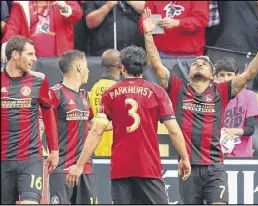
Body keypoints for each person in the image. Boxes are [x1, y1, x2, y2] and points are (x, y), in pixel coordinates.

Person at [142, 7, 258, 204]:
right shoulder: (178, 88)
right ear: (188, 74)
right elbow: (157, 65)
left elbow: (247, 75)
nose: (199, 63)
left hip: (215, 167)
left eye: (204, 63)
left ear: (212, 76)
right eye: (196, 63)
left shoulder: (221, 91)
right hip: (187, 166)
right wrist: (148, 34)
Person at [65, 45, 191, 204]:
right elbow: (173, 130)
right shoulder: (157, 92)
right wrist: (184, 157)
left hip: (120, 170)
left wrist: (79, 164)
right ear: (145, 68)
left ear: (122, 68)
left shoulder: (110, 93)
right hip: (149, 168)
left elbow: (97, 131)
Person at [1, 35, 59, 204]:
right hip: (3, 160)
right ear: (15, 55)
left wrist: (54, 150)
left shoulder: (39, 80)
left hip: (30, 158)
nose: (34, 58)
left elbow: (48, 113)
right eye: (30, 54)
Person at [48, 50, 98, 204]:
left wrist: (120, 121)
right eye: (86, 65)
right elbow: (42, 124)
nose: (88, 70)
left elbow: (91, 124)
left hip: (85, 167)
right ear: (79, 67)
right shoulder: (54, 93)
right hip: (61, 166)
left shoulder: (85, 95)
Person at [1, 1, 83, 62]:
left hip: (61, 58)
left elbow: (78, 14)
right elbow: (12, 27)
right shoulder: (21, 3)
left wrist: (66, 8)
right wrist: (6, 46)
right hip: (30, 60)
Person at [215, 57, 258, 157]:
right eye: (221, 75)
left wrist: (232, 132)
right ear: (216, 78)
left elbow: (250, 129)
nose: (225, 78)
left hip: (242, 157)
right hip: (216, 156)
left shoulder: (249, 96)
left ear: (237, 76)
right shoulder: (210, 98)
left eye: (229, 75)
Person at [138, 1, 209, 57]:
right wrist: (147, 26)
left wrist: (177, 23)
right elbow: (143, 20)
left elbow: (201, 21)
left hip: (190, 55)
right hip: (160, 53)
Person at [89, 49, 121, 156]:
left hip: (98, 147)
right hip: (116, 148)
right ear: (120, 65)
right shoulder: (120, 89)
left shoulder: (95, 88)